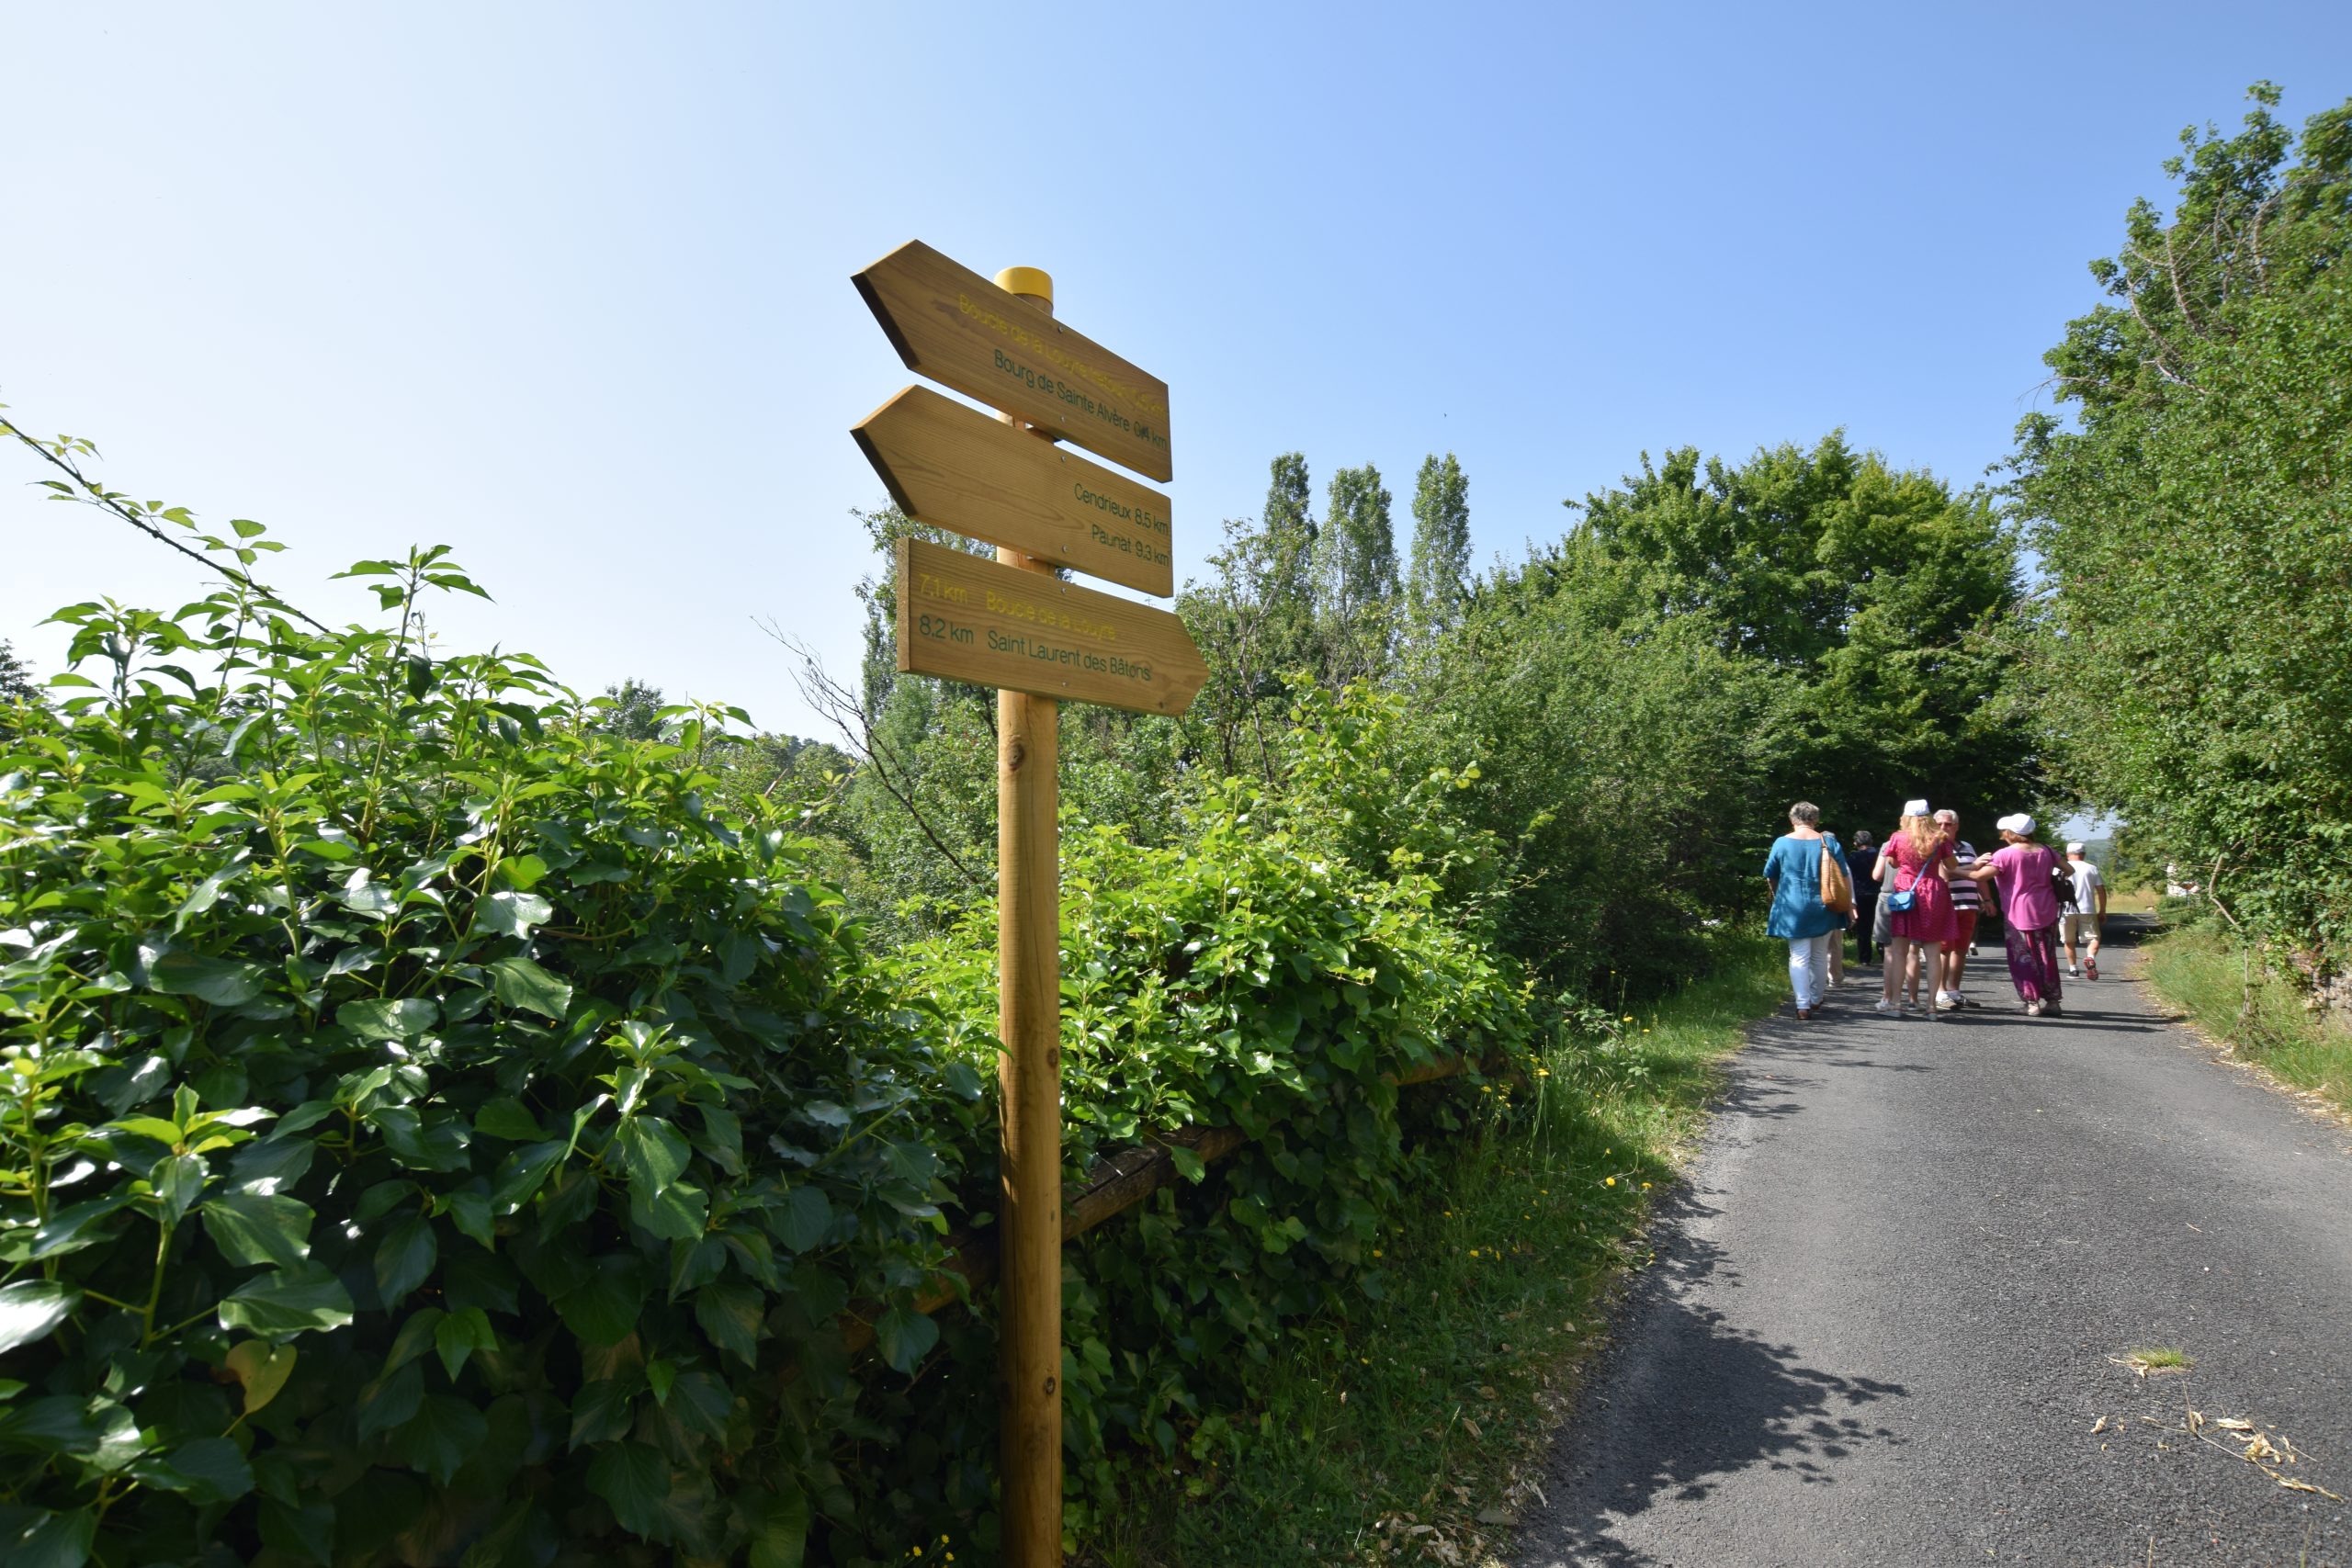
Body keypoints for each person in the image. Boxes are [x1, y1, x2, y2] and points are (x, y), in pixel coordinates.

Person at [1963, 814, 2066, 1016]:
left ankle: (2031, 1002)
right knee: (2047, 955)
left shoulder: (2005, 854)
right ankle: (2053, 1001)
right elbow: (2068, 869)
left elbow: (1978, 876)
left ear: (2011, 833)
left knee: (2023, 956)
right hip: (2047, 908)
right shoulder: (2046, 850)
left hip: (2019, 911)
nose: (2002, 835)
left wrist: (1952, 871)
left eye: (2004, 832)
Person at [1763, 801, 1852, 1021]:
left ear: (1792, 819)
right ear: (1815, 820)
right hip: (1825, 905)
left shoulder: (1781, 843)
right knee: (1820, 955)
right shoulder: (1829, 843)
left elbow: (1770, 873)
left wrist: (1777, 894)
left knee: (1799, 956)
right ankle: (1816, 998)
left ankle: (1802, 1005)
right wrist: (1849, 905)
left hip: (1792, 906)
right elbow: (1843, 875)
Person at [1877, 799, 1954, 1017]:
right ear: (1929, 817)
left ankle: (1896, 1004)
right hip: (1933, 892)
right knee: (1932, 952)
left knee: (1900, 951)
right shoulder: (1940, 838)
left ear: (1906, 817)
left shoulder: (1898, 838)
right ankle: (1931, 1007)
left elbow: (1892, 863)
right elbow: (1951, 866)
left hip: (1906, 892)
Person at [1932, 809, 1983, 1011]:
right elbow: (1944, 875)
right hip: (1947, 903)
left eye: (1949, 824)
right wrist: (1974, 867)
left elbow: (1979, 874)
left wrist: (1986, 899)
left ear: (1956, 826)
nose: (1944, 827)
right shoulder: (1934, 846)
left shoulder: (1967, 846)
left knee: (1961, 949)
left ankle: (1954, 991)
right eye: (1940, 824)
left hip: (1968, 903)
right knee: (1945, 948)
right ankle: (1940, 992)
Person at [2064, 842, 2108, 979]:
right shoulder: (2092, 868)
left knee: (2068, 940)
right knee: (2093, 938)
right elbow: (2101, 891)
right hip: (2087, 909)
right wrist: (2102, 910)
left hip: (2066, 909)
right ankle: (2090, 957)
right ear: (2083, 854)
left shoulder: (2059, 869)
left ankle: (2073, 970)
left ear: (2067, 854)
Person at [1849, 829, 1881, 966]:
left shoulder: (1853, 857)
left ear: (1855, 843)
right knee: (1881, 925)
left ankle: (1864, 958)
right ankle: (1884, 953)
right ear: (1871, 841)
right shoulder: (1879, 854)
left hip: (1860, 894)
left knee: (1863, 928)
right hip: (1879, 893)